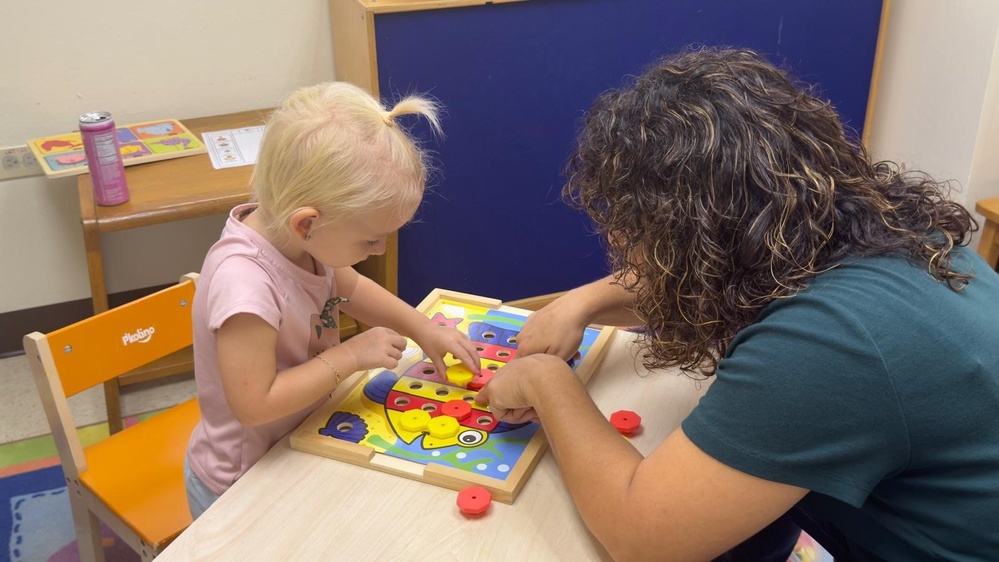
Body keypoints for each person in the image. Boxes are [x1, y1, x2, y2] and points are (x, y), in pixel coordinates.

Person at [476, 47, 999, 561]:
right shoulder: (890, 228)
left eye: (631, 229)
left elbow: (642, 540)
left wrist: (547, 381)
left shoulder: (827, 344)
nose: (620, 244)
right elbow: (713, 278)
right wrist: (583, 302)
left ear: (689, 235)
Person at [184, 81, 481, 519]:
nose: (379, 251)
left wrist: (422, 327)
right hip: (244, 482)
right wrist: (351, 355)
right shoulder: (243, 286)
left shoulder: (296, 239)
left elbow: (350, 287)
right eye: (372, 239)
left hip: (301, 438)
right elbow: (254, 404)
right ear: (308, 223)